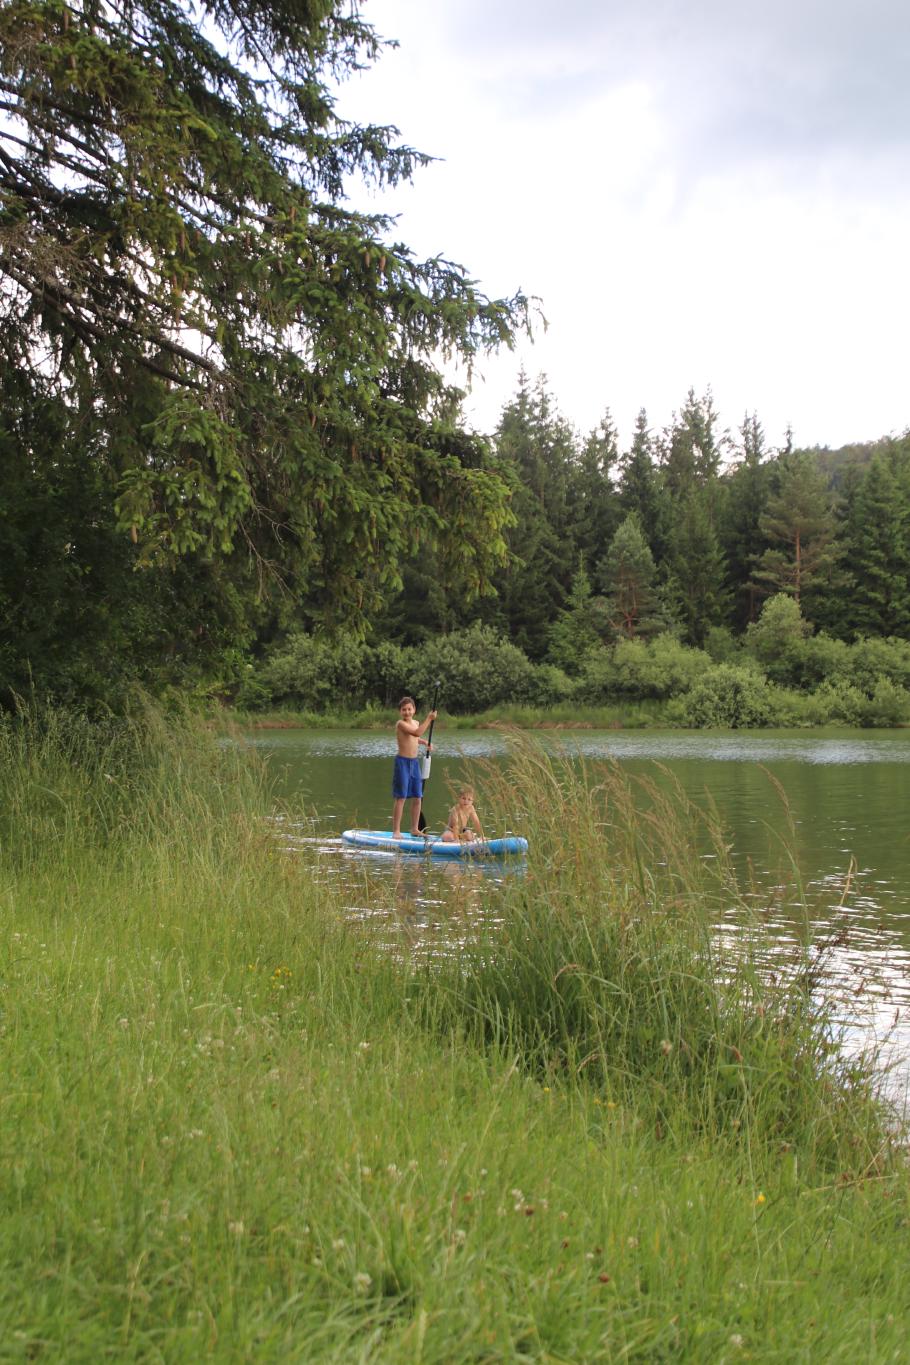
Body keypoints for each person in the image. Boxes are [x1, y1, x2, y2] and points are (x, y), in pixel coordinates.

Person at [392, 696, 437, 838]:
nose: (407, 712)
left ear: (414, 710)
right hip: (402, 763)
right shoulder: (401, 724)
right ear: (400, 711)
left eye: (409, 709)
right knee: (401, 797)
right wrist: (429, 719)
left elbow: (415, 738)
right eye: (404, 709)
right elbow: (417, 732)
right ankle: (396, 831)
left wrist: (424, 743)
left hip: (414, 763)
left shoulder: (416, 722)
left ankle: (414, 829)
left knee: (418, 797)